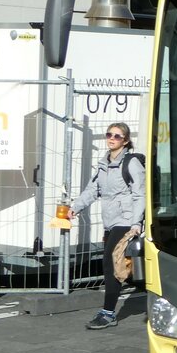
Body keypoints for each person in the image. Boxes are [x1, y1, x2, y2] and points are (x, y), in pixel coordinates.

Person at [68, 122, 145, 330]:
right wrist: (75, 208)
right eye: (109, 134)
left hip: (126, 220)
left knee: (110, 264)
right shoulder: (103, 164)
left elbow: (140, 195)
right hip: (110, 221)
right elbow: (93, 190)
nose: (112, 138)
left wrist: (136, 223)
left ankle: (108, 313)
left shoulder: (131, 163)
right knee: (117, 265)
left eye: (117, 136)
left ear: (126, 141)